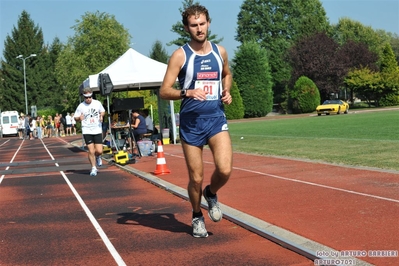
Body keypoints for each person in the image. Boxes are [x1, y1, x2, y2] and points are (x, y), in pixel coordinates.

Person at [160, 4, 233, 238]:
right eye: (194, 25)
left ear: (208, 23)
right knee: (196, 177)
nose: (199, 29)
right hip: (191, 124)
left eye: (202, 24)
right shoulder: (180, 55)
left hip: (215, 119)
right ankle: (196, 215)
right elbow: (164, 90)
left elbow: (226, 75)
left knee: (224, 169)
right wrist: (187, 93)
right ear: (186, 28)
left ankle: (210, 194)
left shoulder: (219, 52)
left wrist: (227, 91)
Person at [73, 88, 105, 176]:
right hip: (87, 130)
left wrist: (101, 116)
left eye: (90, 97)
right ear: (84, 97)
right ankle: (93, 168)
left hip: (97, 129)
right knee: (91, 151)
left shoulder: (97, 103)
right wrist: (79, 118)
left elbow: (102, 111)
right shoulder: (81, 106)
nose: (88, 99)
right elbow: (75, 117)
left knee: (99, 150)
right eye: (86, 98)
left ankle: (98, 156)